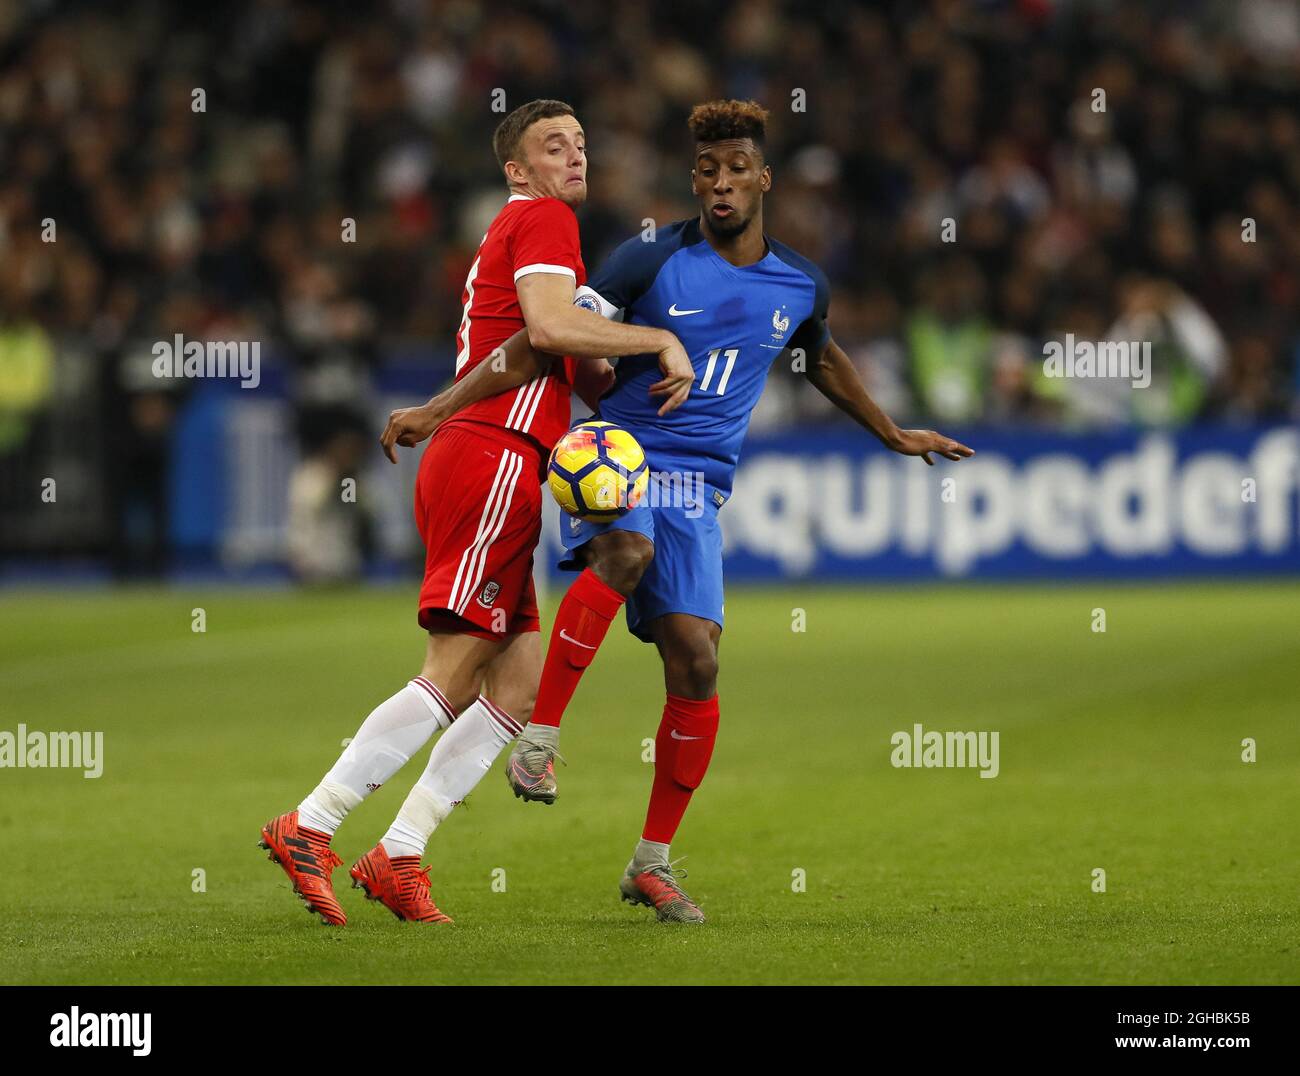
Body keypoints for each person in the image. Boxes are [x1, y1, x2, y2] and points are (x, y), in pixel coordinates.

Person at [419, 100, 974, 923]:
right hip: (616, 455)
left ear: (763, 178)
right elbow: (551, 337)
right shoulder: (648, 258)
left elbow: (820, 357)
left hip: (700, 489)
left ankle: (652, 862)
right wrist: (445, 406)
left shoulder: (798, 282)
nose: (721, 183)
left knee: (698, 663)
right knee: (627, 552)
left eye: (736, 168)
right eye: (707, 170)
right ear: (694, 180)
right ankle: (540, 739)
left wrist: (891, 433)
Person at [258, 98, 693, 926]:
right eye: (551, 146)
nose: (574, 157)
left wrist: (598, 364)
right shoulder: (544, 220)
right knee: (454, 669)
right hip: (495, 454)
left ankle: (400, 853)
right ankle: (310, 824)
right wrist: (656, 341)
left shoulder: (527, 229)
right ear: (516, 170)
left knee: (520, 685)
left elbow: (533, 349)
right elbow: (549, 328)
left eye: (580, 144)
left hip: (501, 460)